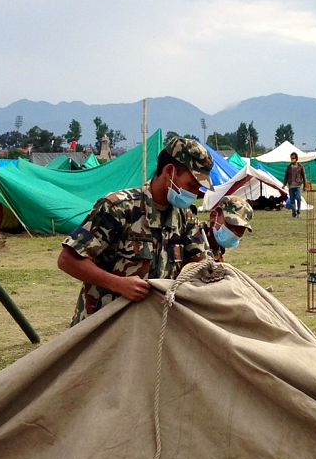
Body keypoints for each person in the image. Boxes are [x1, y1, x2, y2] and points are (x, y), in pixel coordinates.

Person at [58, 136, 213, 326]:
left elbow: (202, 266)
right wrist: (117, 284)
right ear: (169, 172)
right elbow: (68, 260)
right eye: (191, 185)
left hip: (152, 328)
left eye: (199, 188)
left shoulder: (185, 217)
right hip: (104, 326)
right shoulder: (119, 208)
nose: (196, 193)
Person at [203, 195, 253, 262]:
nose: (235, 233)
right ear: (214, 216)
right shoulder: (191, 240)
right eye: (232, 224)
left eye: (242, 229)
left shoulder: (217, 247)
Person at [283, 153, 306, 218]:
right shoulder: (289, 167)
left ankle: (298, 211)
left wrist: (305, 185)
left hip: (298, 185)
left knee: (298, 198)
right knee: (292, 200)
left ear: (296, 158)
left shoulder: (300, 166)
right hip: (291, 186)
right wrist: (284, 184)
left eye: (293, 158)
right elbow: (286, 176)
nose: (292, 159)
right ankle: (294, 211)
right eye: (291, 158)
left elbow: (304, 176)